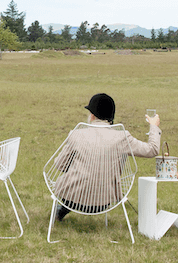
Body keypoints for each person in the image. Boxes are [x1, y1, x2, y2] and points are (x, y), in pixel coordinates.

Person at [50, 93, 161, 221]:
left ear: (92, 115)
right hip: (105, 202)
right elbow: (152, 150)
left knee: (73, 183)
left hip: (71, 199)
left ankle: (62, 210)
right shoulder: (122, 137)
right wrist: (154, 126)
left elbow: (59, 165)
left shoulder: (76, 134)